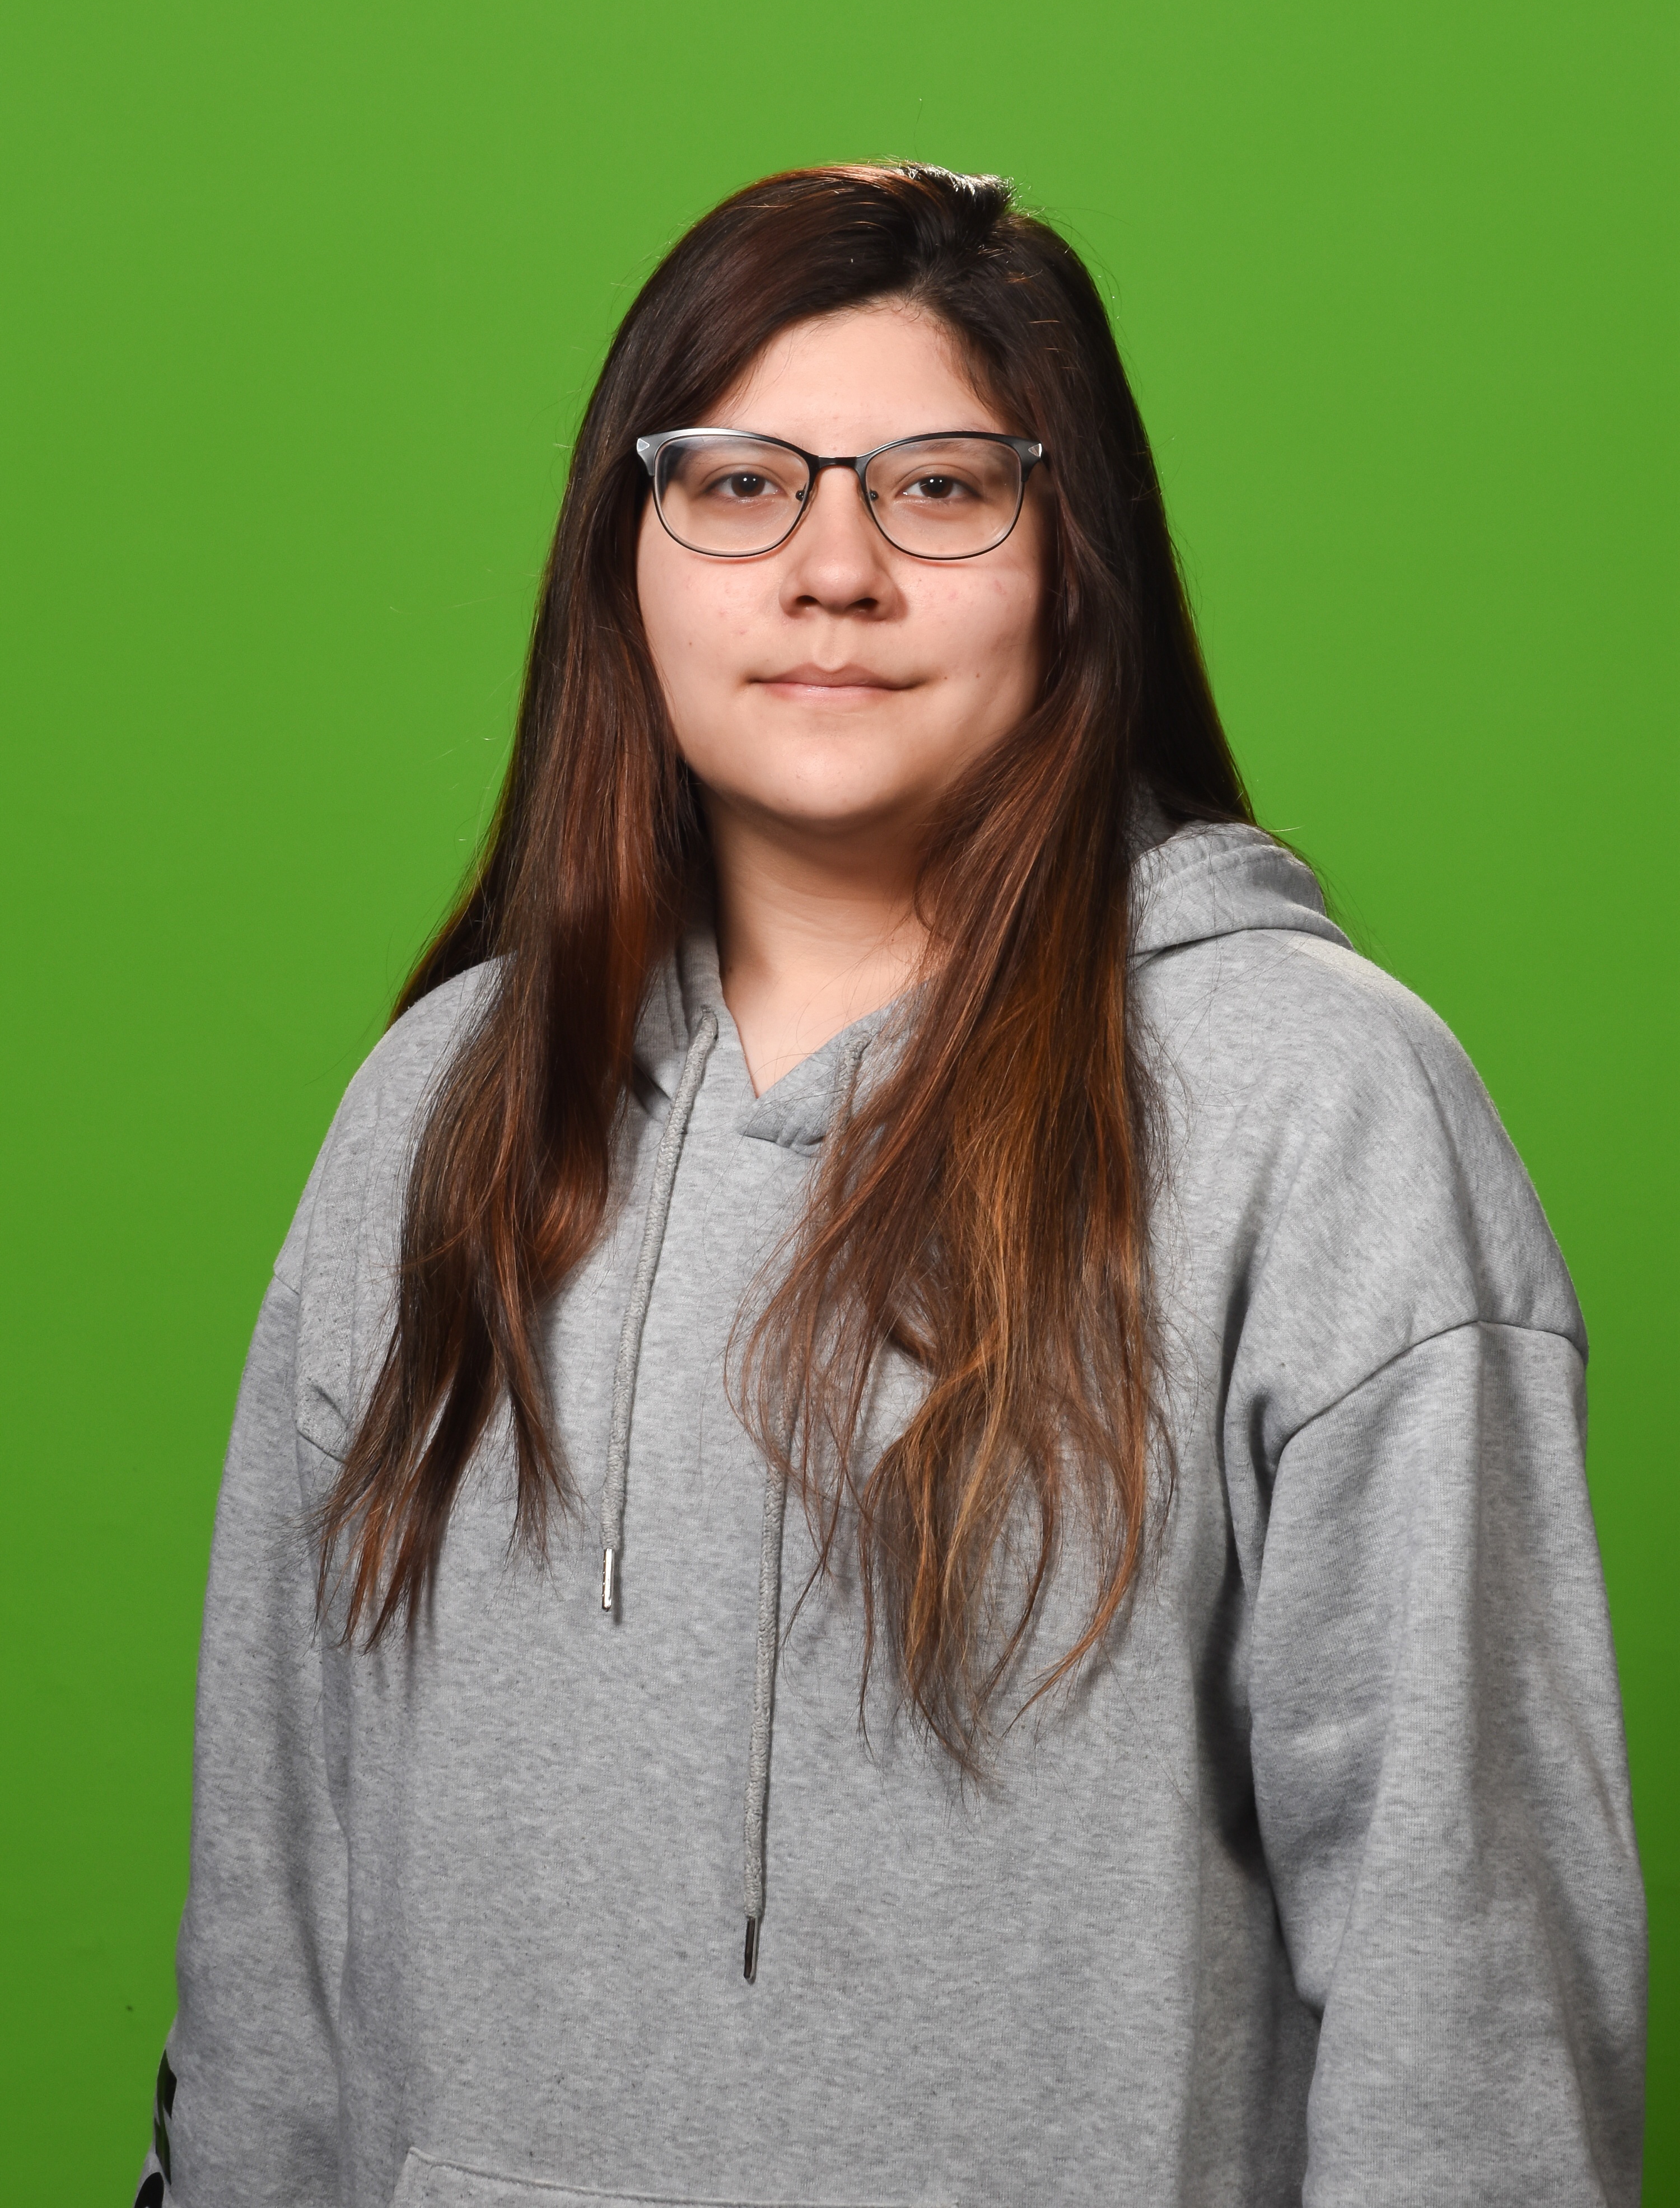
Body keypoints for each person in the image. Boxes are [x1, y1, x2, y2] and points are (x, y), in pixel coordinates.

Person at [136, 164, 1645, 2208]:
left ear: (1076, 563)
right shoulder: (444, 1108)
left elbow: (1468, 1978)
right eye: (740, 485)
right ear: (624, 562)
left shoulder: (1318, 1108)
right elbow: (276, 1919)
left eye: (939, 490)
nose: (831, 569)